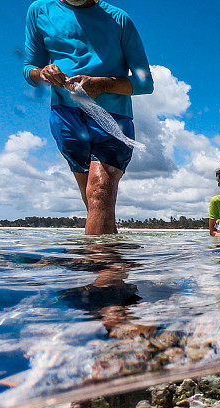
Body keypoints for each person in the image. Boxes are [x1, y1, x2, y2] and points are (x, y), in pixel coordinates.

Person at [23, 0, 154, 235]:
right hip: (65, 115)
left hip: (113, 117)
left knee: (100, 190)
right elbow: (29, 68)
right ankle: (111, 265)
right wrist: (42, 73)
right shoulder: (39, 10)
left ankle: (97, 264)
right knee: (96, 202)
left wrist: (102, 84)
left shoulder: (119, 19)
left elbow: (145, 83)